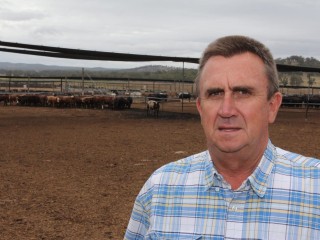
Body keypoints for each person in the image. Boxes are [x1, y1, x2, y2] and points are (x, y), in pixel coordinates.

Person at [124, 35, 320, 239]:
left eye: (243, 92)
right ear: (200, 108)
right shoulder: (159, 190)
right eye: (215, 94)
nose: (227, 110)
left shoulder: (315, 189)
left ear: (272, 106)